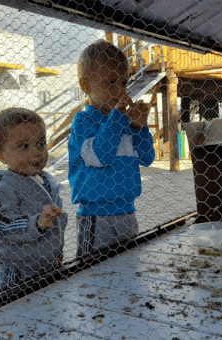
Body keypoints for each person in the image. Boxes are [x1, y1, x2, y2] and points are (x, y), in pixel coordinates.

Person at [69, 40, 155, 257]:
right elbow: (101, 156)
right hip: (96, 217)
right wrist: (119, 118)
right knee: (93, 273)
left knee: (127, 267)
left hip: (127, 212)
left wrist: (139, 127)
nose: (120, 91)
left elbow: (147, 157)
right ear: (85, 85)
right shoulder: (83, 121)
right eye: (111, 82)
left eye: (124, 83)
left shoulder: (123, 123)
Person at [0, 107, 67, 291]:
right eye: (24, 146)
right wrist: (35, 223)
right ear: (0, 154)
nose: (36, 152)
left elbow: (56, 223)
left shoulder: (47, 181)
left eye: (41, 143)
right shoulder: (3, 185)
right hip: (15, 273)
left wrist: (57, 251)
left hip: (46, 267)